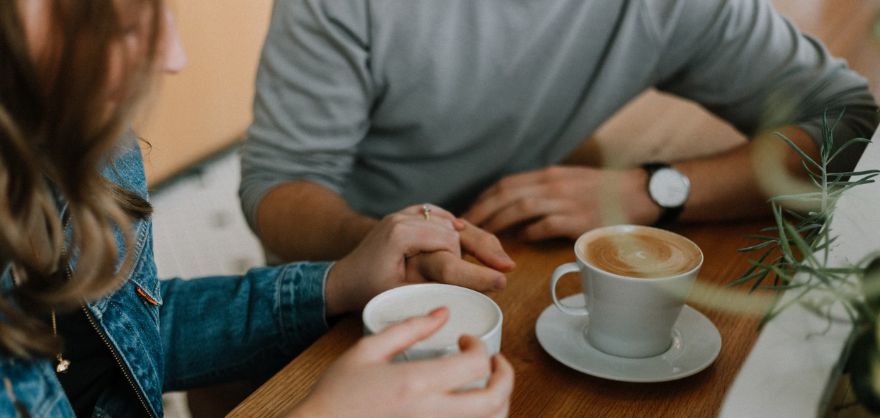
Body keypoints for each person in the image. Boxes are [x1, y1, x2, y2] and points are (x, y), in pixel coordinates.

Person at [0, 1, 514, 418]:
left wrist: (336, 283)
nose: (173, 56)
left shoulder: (74, 140)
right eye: (124, 21)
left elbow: (122, 335)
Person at [240, 0, 879, 268]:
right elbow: (279, 187)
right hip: (344, 274)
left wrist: (657, 188)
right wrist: (377, 241)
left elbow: (848, 121)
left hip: (524, 251)